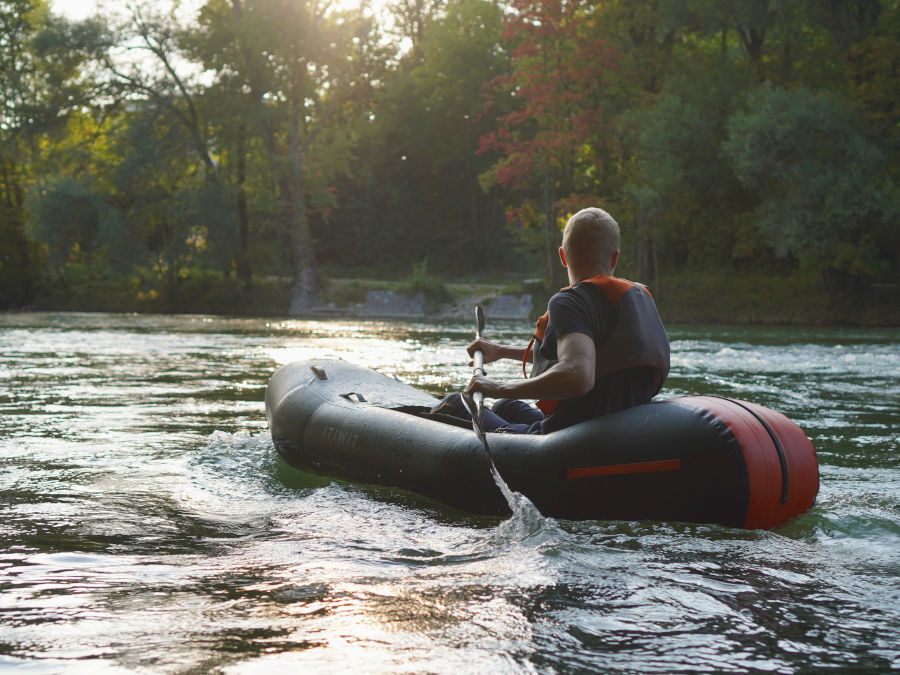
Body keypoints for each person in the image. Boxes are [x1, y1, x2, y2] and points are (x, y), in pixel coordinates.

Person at [433, 206, 670, 434]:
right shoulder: (632, 300)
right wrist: (503, 351)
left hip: (570, 437)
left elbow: (578, 375)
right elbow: (592, 356)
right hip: (619, 430)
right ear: (615, 258)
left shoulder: (571, 301)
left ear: (562, 256)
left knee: (456, 403)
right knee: (506, 406)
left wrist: (498, 387)